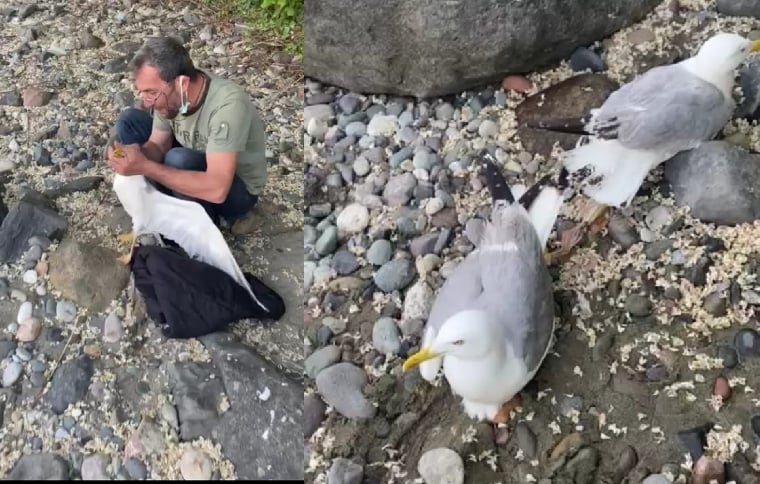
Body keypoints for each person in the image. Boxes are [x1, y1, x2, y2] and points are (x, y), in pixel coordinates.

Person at [106, 36, 267, 231]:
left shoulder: (228, 105)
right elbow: (158, 145)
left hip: (234, 190)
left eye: (151, 92)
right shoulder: (170, 97)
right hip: (195, 158)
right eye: (141, 92)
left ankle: (202, 226)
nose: (146, 101)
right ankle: (166, 201)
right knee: (129, 120)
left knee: (178, 159)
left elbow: (218, 189)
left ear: (182, 83)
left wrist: (146, 167)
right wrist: (133, 156)